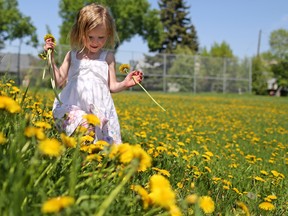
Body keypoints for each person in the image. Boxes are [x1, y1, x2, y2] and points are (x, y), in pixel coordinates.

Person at [44, 3, 143, 145]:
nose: (95, 42)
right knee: (84, 130)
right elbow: (59, 80)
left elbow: (113, 86)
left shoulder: (107, 58)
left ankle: (88, 162)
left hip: (99, 110)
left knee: (100, 150)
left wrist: (126, 83)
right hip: (73, 108)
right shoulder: (72, 56)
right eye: (90, 37)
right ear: (80, 33)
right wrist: (50, 58)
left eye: (101, 37)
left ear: (108, 35)